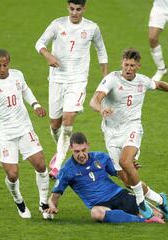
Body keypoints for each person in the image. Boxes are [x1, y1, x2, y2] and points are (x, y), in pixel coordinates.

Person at [89, 48, 168, 220]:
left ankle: (141, 202)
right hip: (111, 133)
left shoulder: (143, 81)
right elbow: (94, 100)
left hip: (132, 128)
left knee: (125, 161)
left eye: (132, 65)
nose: (128, 68)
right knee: (128, 181)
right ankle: (160, 200)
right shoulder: (112, 79)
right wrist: (101, 109)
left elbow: (159, 85)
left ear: (138, 66)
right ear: (122, 63)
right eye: (125, 65)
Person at [0, 49, 52, 219]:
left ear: (9, 63)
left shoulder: (17, 75)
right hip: (4, 134)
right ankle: (19, 201)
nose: (2, 68)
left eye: (5, 65)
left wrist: (35, 105)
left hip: (24, 128)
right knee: (13, 174)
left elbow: (26, 90)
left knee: (41, 165)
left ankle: (44, 204)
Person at [35, 0, 109, 179]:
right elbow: (39, 43)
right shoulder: (57, 24)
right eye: (72, 9)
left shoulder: (92, 28)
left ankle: (58, 165)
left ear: (84, 9)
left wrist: (106, 80)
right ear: (67, 7)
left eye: (78, 9)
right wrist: (48, 55)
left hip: (77, 80)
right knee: (55, 124)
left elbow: (102, 52)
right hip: (57, 80)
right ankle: (59, 150)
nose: (74, 12)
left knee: (69, 118)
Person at [46, 132, 166, 223]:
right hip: (100, 204)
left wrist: (130, 169)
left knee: (159, 215)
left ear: (88, 145)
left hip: (119, 195)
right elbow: (54, 197)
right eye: (77, 151)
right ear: (70, 148)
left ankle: (164, 205)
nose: (81, 155)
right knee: (96, 213)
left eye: (84, 150)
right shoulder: (67, 170)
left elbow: (122, 176)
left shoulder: (101, 157)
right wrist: (52, 206)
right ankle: (141, 220)